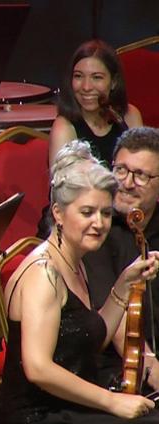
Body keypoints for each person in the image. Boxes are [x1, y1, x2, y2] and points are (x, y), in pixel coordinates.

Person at [0, 140, 159, 423]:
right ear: (58, 213)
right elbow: (38, 368)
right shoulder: (43, 275)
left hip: (68, 408)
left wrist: (124, 284)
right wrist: (112, 401)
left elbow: (89, 340)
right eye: (87, 212)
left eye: (105, 213)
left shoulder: (74, 261)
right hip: (38, 415)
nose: (99, 223)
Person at [84, 127, 159, 393]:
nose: (127, 183)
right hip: (117, 369)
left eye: (141, 175)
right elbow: (115, 317)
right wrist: (153, 369)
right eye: (121, 170)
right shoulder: (97, 228)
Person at [49, 39, 143, 166]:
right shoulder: (64, 128)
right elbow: (64, 178)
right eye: (78, 76)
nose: (86, 87)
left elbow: (143, 170)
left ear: (113, 82)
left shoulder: (129, 116)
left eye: (97, 77)